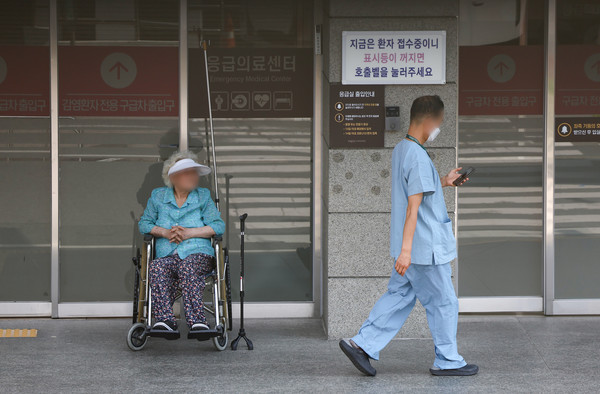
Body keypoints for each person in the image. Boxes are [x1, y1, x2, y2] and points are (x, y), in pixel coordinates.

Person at [339, 95, 478, 377]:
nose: (438, 128)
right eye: (438, 122)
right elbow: (413, 207)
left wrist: (445, 181)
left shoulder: (403, 149)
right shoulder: (416, 155)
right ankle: (448, 360)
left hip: (414, 247)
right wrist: (407, 251)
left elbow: (417, 190)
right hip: (424, 249)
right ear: (429, 121)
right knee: (444, 302)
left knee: (400, 295)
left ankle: (361, 344)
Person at [138, 150, 225, 333]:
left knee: (188, 266)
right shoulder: (158, 197)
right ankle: (165, 320)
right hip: (168, 254)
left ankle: (197, 321)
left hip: (198, 254)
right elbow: (144, 223)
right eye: (188, 172)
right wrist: (164, 232)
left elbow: (218, 226)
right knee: (157, 267)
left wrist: (189, 233)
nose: (194, 177)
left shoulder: (202, 196)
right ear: (174, 176)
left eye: (195, 172)